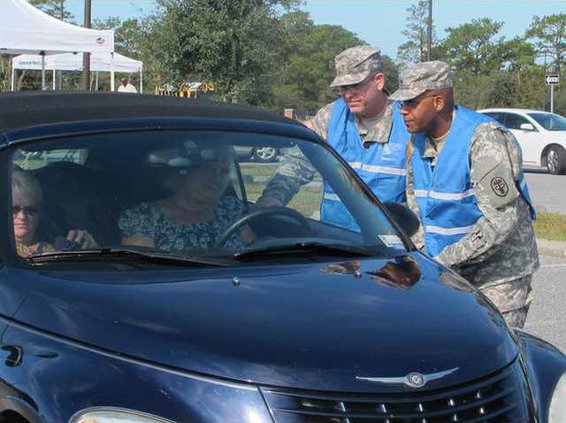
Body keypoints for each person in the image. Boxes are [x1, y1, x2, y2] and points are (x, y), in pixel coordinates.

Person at [389, 60, 539, 328]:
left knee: (498, 352)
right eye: (401, 103)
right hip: (450, 272)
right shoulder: (417, 142)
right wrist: (422, 259)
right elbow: (418, 213)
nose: (403, 111)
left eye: (411, 102)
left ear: (437, 102)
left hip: (498, 275)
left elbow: (500, 222)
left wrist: (440, 263)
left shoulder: (484, 140)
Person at [258, 45, 410, 230]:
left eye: (355, 85)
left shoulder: (407, 122)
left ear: (379, 81)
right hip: (339, 243)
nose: (348, 94)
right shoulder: (330, 117)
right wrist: (273, 198)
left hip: (389, 248)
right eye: (342, 87)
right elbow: (298, 163)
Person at [119, 145, 248, 252]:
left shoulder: (231, 209)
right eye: (208, 169)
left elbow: (254, 250)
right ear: (185, 172)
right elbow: (140, 270)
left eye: (224, 171)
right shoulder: (145, 217)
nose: (216, 178)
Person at [12, 170, 98, 257]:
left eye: (31, 209)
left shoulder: (62, 245)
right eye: (14, 209)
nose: (22, 216)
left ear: (40, 212)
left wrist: (92, 250)